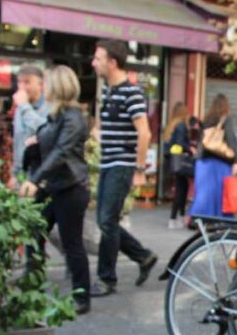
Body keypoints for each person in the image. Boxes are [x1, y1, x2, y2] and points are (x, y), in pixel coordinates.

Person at [18, 66, 92, 315]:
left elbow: (62, 152)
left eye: (47, 83)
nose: (44, 87)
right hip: (55, 187)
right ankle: (33, 280)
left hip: (70, 187)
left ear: (57, 87)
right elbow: (50, 144)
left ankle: (82, 297)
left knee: (72, 244)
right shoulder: (58, 114)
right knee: (35, 230)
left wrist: (35, 179)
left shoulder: (73, 117)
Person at [90, 39, 157, 296]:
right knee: (105, 220)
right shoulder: (108, 92)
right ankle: (143, 256)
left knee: (107, 220)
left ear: (112, 62)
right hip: (108, 162)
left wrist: (139, 169)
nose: (94, 63)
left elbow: (145, 133)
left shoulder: (132, 92)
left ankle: (107, 279)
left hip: (122, 164)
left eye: (98, 58)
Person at [190, 94, 237, 218]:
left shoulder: (206, 119)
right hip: (220, 162)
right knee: (221, 194)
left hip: (203, 162)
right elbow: (231, 140)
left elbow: (201, 141)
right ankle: (219, 219)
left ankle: (198, 218)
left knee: (203, 193)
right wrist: (236, 161)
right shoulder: (226, 119)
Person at [10, 64, 50, 189]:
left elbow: (44, 131)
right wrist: (14, 174)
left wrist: (24, 106)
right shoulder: (20, 109)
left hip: (42, 177)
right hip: (21, 176)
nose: (22, 87)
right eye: (19, 82)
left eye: (27, 82)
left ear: (41, 85)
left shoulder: (50, 107)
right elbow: (18, 142)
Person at [164, 102, 193, 229]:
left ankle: (176, 217)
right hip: (181, 161)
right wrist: (190, 149)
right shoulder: (181, 125)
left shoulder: (171, 125)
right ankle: (176, 217)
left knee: (180, 188)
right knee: (182, 189)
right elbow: (180, 143)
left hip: (173, 160)